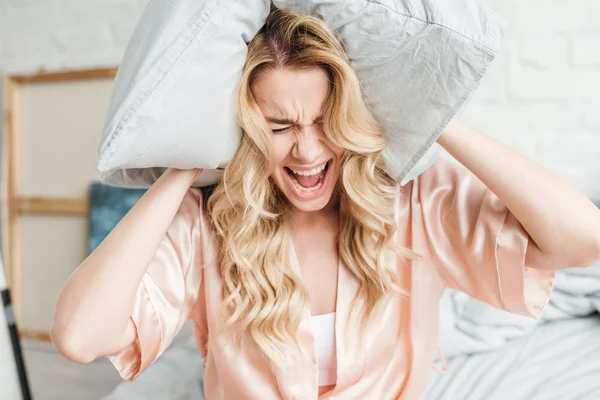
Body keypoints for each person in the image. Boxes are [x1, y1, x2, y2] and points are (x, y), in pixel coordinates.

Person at [51, 9, 600, 400]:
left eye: (326, 121)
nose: (309, 150)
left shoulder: (412, 200)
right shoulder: (209, 223)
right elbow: (79, 336)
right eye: (280, 126)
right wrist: (185, 164)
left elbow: (583, 240)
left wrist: (429, 116)